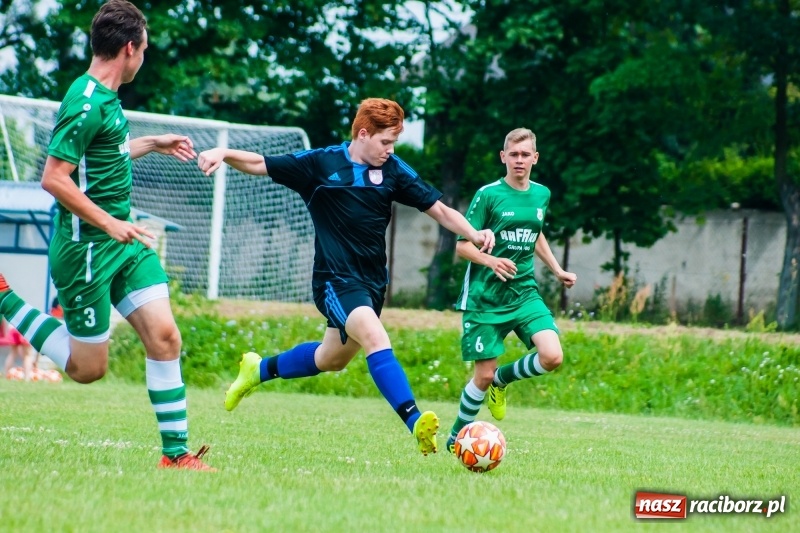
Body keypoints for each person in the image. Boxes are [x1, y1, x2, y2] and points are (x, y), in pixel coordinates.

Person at [197, 98, 495, 455]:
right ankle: (415, 421)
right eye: (385, 142)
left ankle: (258, 369)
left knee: (331, 359)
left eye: (394, 143)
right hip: (334, 281)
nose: (390, 149)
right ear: (364, 134)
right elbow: (261, 163)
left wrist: (474, 234)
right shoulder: (321, 164)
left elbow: (440, 210)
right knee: (375, 337)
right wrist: (224, 152)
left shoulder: (394, 170)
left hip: (371, 284)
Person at [0, 0, 213, 470]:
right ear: (130, 49)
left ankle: (175, 455)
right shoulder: (84, 102)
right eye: (145, 50)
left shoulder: (108, 99)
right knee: (87, 370)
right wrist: (111, 223)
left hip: (123, 244)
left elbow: (108, 156)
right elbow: (55, 178)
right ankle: (4, 298)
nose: (144, 58)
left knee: (165, 336)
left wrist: (152, 143)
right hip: (87, 250)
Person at [445, 128, 577, 453]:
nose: (519, 160)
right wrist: (491, 261)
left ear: (535, 158)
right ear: (503, 157)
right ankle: (455, 439)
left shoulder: (541, 195)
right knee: (483, 376)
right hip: (485, 297)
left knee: (552, 356)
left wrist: (556, 269)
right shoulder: (488, 194)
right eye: (513, 155)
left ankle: (504, 379)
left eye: (525, 154)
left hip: (524, 293)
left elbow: (536, 233)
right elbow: (462, 246)